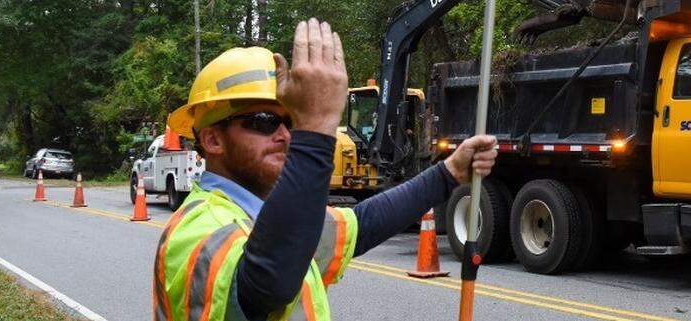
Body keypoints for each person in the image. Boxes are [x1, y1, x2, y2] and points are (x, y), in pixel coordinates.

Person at [156, 18, 497, 321]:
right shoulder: (195, 231)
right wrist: (315, 124)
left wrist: (448, 173)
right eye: (264, 121)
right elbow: (265, 286)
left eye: (291, 121)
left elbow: (363, 224)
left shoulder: (270, 217)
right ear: (213, 139)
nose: (285, 134)